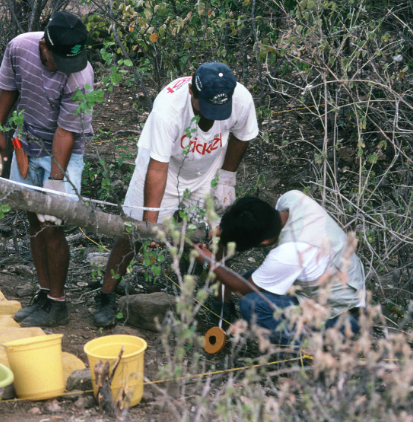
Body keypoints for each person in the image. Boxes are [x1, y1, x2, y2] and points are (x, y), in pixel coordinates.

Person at [94, 62, 259, 327]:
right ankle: (106, 295)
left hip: (208, 168)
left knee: (218, 235)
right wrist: (150, 224)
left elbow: (242, 135)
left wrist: (227, 177)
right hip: (164, 168)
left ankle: (220, 305)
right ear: (192, 91)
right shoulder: (168, 108)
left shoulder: (240, 99)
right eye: (206, 108)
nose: (212, 117)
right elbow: (157, 168)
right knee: (133, 233)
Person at [0, 11, 94, 328]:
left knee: (53, 223)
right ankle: (45, 293)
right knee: (33, 219)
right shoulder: (20, 47)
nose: (66, 68)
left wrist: (56, 181)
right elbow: (9, 89)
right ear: (44, 47)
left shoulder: (80, 76)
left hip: (63, 150)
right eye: (58, 60)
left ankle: (58, 303)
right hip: (27, 141)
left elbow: (66, 132)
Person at [192, 192, 366, 345]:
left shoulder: (289, 252)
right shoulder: (292, 199)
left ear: (265, 242)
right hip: (341, 286)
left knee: (252, 304)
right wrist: (226, 230)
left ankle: (306, 351)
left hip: (343, 317)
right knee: (250, 279)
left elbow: (242, 290)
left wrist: (208, 262)